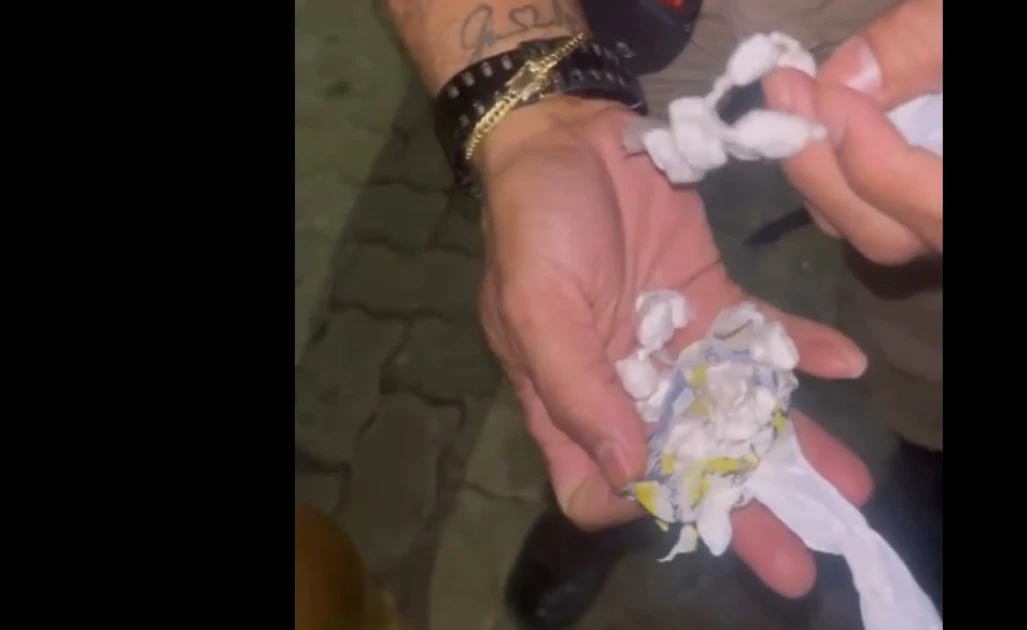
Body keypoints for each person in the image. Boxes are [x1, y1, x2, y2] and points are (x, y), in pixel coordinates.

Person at [386, 0, 942, 626]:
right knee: (588, 345)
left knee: (926, 343)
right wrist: (531, 114)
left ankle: (925, 489)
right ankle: (622, 483)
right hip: (631, 27)